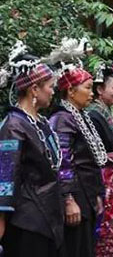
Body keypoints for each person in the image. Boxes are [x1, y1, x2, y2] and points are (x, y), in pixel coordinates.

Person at [0, 42, 63, 257]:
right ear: (34, 89)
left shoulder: (41, 122)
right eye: (50, 86)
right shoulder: (13, 126)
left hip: (48, 214)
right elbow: (5, 177)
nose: (53, 91)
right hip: (27, 221)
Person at [50, 64, 106, 257]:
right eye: (88, 88)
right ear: (71, 91)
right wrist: (68, 199)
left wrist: (96, 194)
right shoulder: (62, 119)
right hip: (75, 195)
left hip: (86, 193)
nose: (92, 93)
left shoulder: (80, 116)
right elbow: (62, 162)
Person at [86, 62, 113, 257]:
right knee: (103, 220)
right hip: (102, 176)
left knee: (111, 220)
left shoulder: (110, 112)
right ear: (100, 89)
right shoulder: (93, 114)